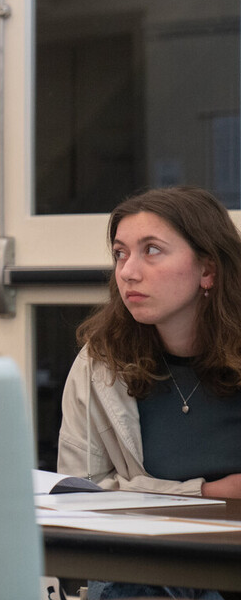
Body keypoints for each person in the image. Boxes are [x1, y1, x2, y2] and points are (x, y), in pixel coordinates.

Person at [58, 187, 241, 498]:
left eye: (152, 250)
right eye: (120, 254)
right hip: (142, 546)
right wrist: (208, 492)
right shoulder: (101, 361)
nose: (128, 272)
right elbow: (78, 493)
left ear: (207, 270)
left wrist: (139, 491)